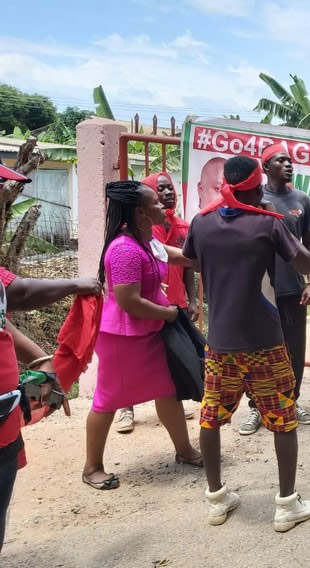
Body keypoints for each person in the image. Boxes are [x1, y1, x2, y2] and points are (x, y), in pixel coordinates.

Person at [183, 155, 310, 529]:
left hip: (220, 343)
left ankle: (217, 499)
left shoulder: (201, 222)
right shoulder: (266, 223)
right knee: (283, 418)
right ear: (257, 188)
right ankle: (287, 505)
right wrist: (278, 220)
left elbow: (192, 261)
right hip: (263, 342)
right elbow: (304, 264)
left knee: (211, 416)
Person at [83, 181, 202, 491]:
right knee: (108, 400)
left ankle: (185, 451)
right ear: (140, 213)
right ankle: (92, 467)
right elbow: (128, 301)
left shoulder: (147, 241)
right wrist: (169, 313)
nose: (163, 207)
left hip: (150, 332)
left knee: (167, 391)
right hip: (124, 338)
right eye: (156, 204)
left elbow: (176, 256)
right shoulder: (123, 248)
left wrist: (205, 255)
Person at [1, 256, 101, 554]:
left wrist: (44, 364)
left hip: (5, 419)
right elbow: (20, 293)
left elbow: (2, 310)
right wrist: (74, 285)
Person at [239, 144, 310, 434]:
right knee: (257, 351)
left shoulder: (302, 200)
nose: (288, 164)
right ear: (265, 167)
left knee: (294, 351)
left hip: (294, 288)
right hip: (261, 291)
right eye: (280, 160)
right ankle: (255, 408)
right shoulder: (256, 199)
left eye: (289, 160)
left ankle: (291, 401)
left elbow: (308, 245)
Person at [115, 171, 198, 433]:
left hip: (172, 306)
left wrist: (191, 299)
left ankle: (179, 429)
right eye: (159, 191)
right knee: (130, 369)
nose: (167, 195)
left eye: (169, 189)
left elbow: (184, 262)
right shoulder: (130, 242)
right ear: (141, 210)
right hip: (144, 313)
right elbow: (127, 296)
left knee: (170, 365)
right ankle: (125, 408)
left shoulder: (178, 227)